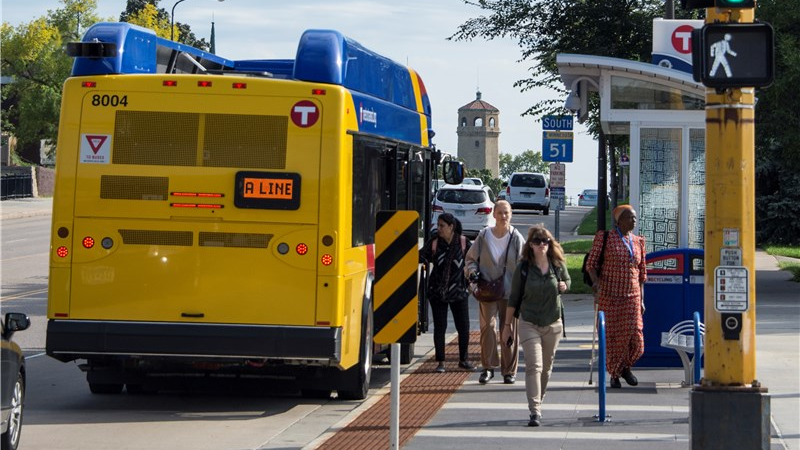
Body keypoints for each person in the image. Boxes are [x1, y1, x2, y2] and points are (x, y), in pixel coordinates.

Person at [502, 224, 570, 427]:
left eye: (545, 241)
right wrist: (507, 326)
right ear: (530, 245)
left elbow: (567, 280)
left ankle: (538, 400)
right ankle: (535, 411)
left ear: (550, 244)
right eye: (537, 241)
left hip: (553, 323)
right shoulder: (523, 269)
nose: (542, 245)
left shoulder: (557, 265)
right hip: (528, 322)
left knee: (546, 369)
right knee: (534, 366)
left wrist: (565, 285)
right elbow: (513, 298)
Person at [585, 204, 647, 389]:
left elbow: (642, 274)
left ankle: (625, 367)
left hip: (632, 297)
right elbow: (591, 264)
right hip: (609, 296)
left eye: (635, 217)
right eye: (629, 217)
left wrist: (642, 299)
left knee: (636, 339)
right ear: (619, 221)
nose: (633, 220)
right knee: (612, 338)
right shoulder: (605, 238)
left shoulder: (638, 242)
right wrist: (596, 281)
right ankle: (615, 374)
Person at [465, 200, 525, 384]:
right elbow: (470, 259)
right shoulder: (484, 236)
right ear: (493, 214)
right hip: (487, 291)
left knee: (509, 331)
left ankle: (509, 371)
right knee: (487, 328)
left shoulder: (516, 237)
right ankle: (488, 367)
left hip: (510, 293)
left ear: (511, 214)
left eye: (506, 213)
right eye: (499, 213)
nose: (503, 216)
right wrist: (473, 272)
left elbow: (525, 264)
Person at [420, 213, 475, 373]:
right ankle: (440, 362)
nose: (439, 228)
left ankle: (463, 359)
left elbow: (473, 262)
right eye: (438, 225)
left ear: (451, 227)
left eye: (442, 225)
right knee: (440, 326)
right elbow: (421, 256)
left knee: (463, 327)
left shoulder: (464, 243)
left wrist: (473, 278)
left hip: (459, 291)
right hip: (438, 292)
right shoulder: (435, 243)